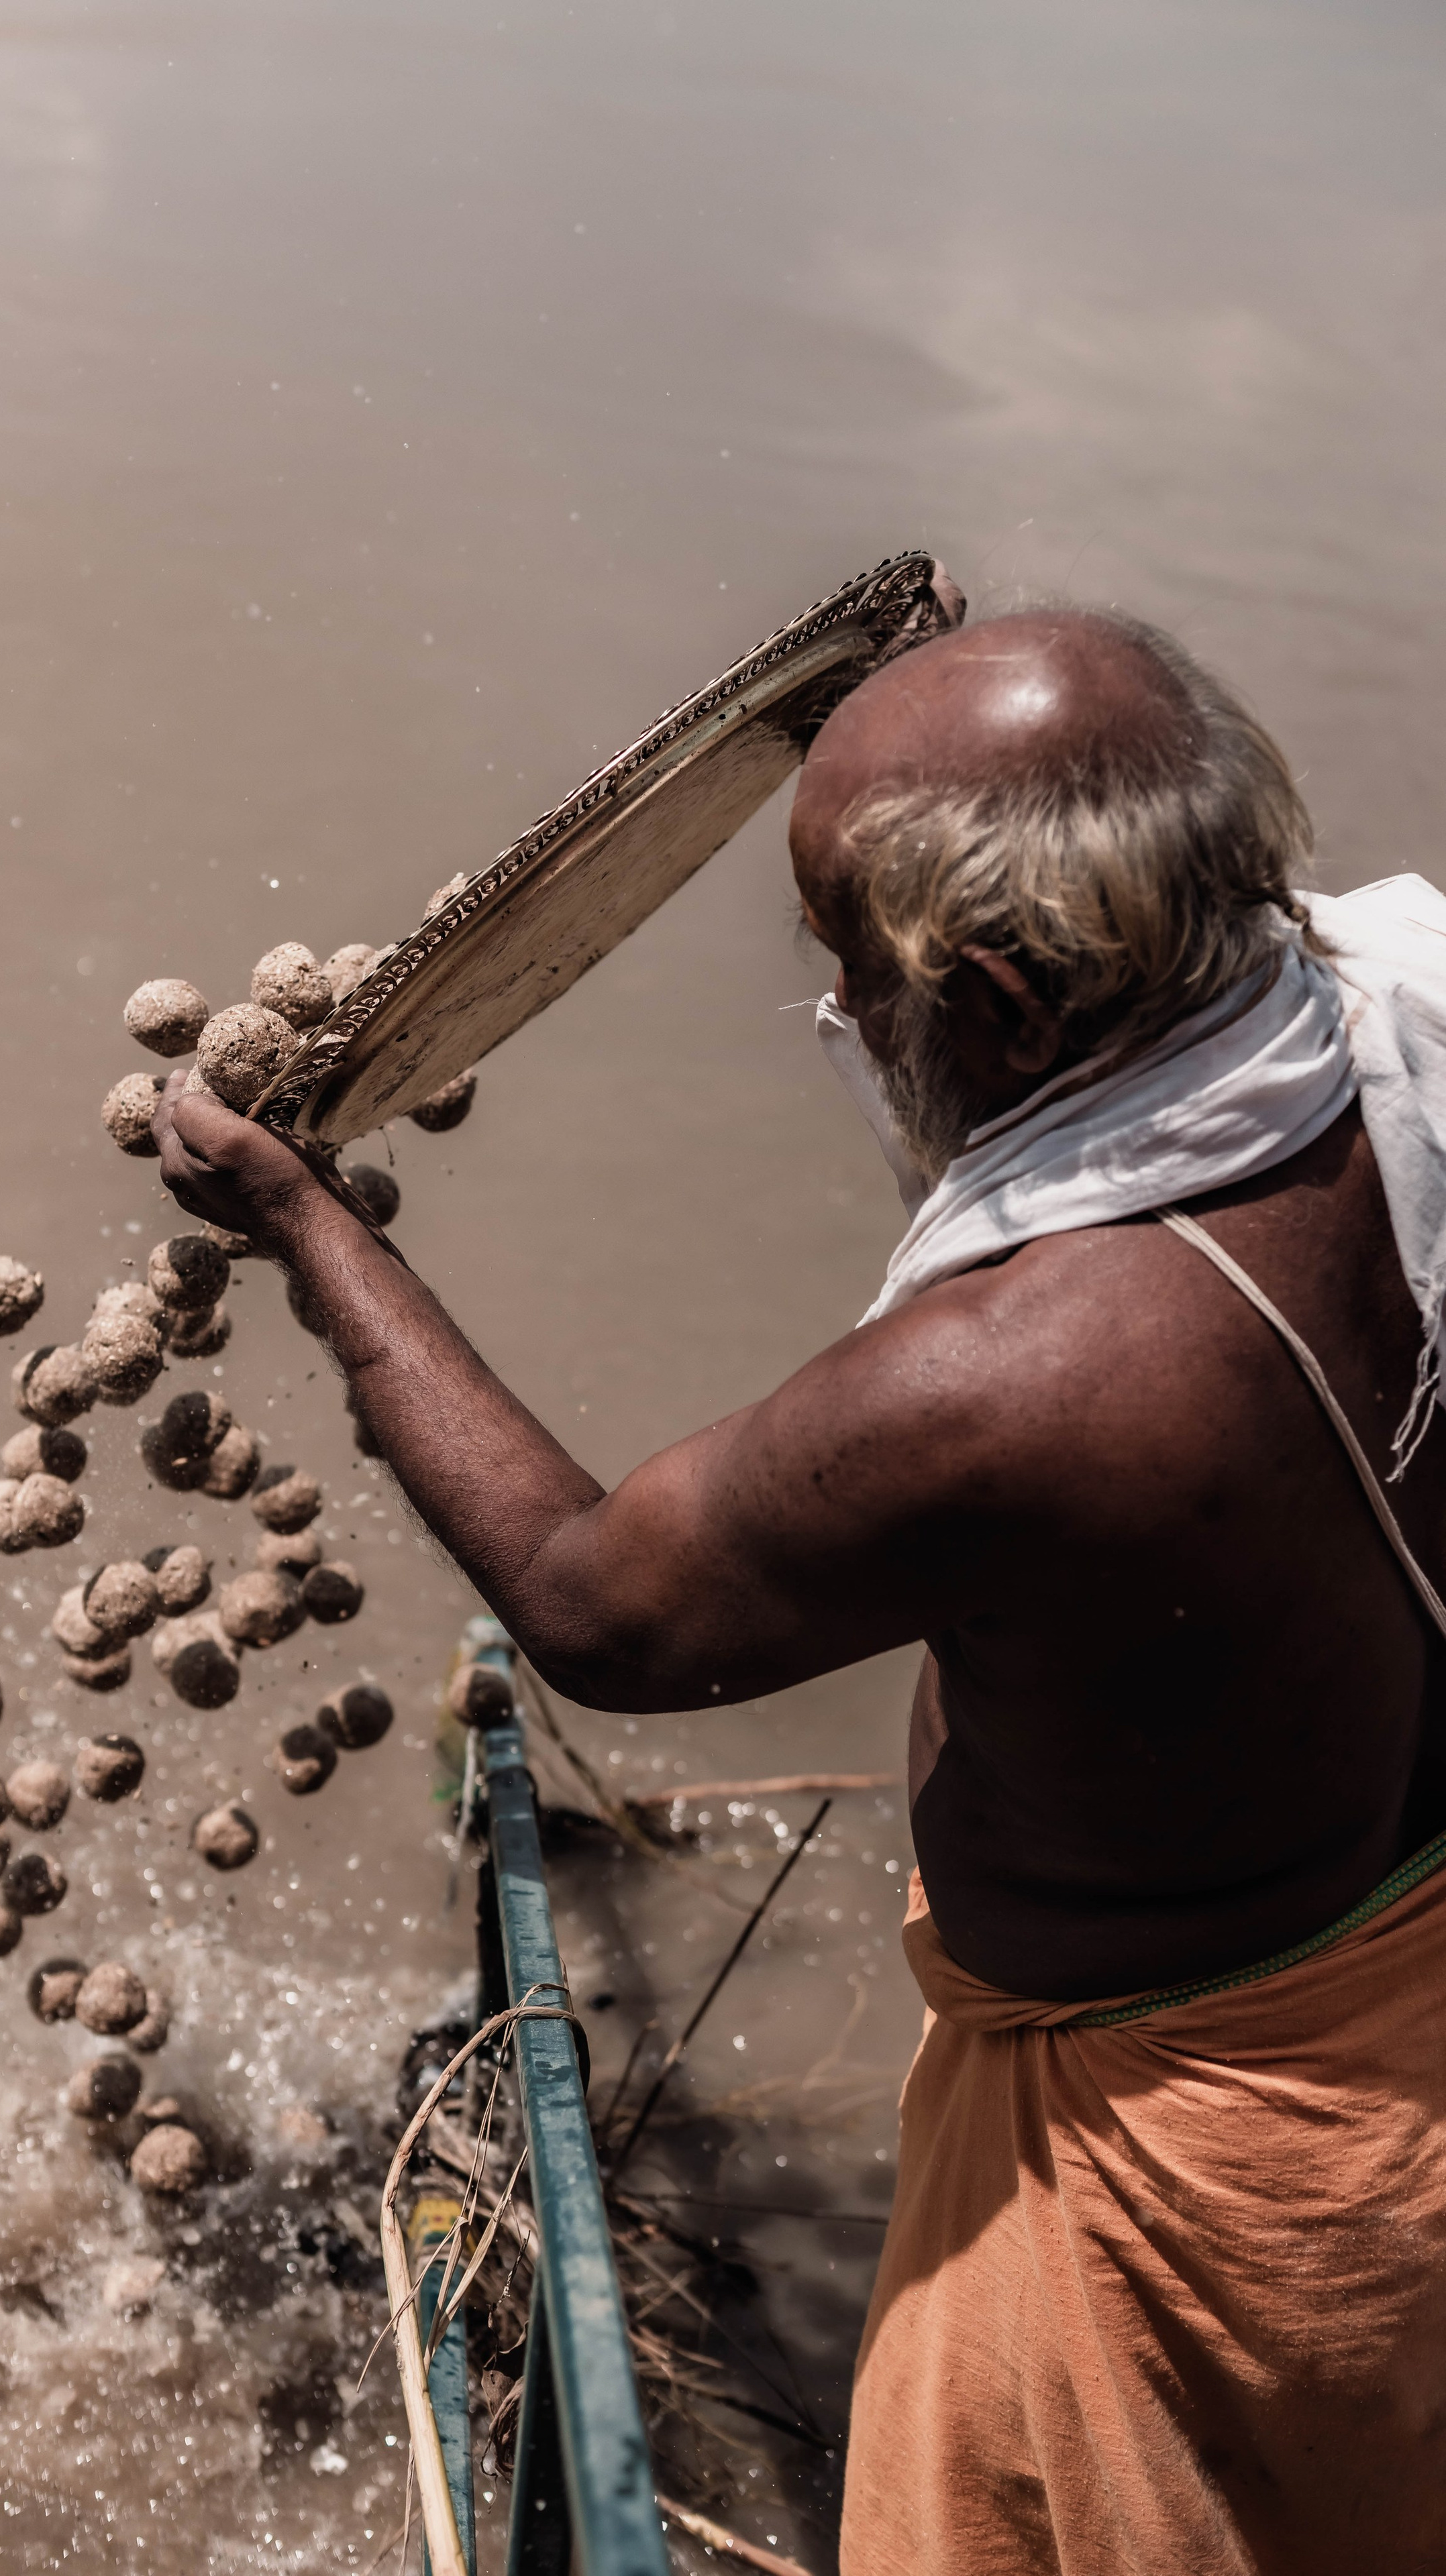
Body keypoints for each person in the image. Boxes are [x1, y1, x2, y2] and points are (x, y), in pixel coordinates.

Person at [156, 606, 1446, 2574]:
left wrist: (306, 1226)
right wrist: (918, 693)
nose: (845, 1011)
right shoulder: (1401, 1003)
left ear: (1006, 1002)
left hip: (1184, 2161)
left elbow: (600, 1608)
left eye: (853, 966)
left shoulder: (1039, 1376)